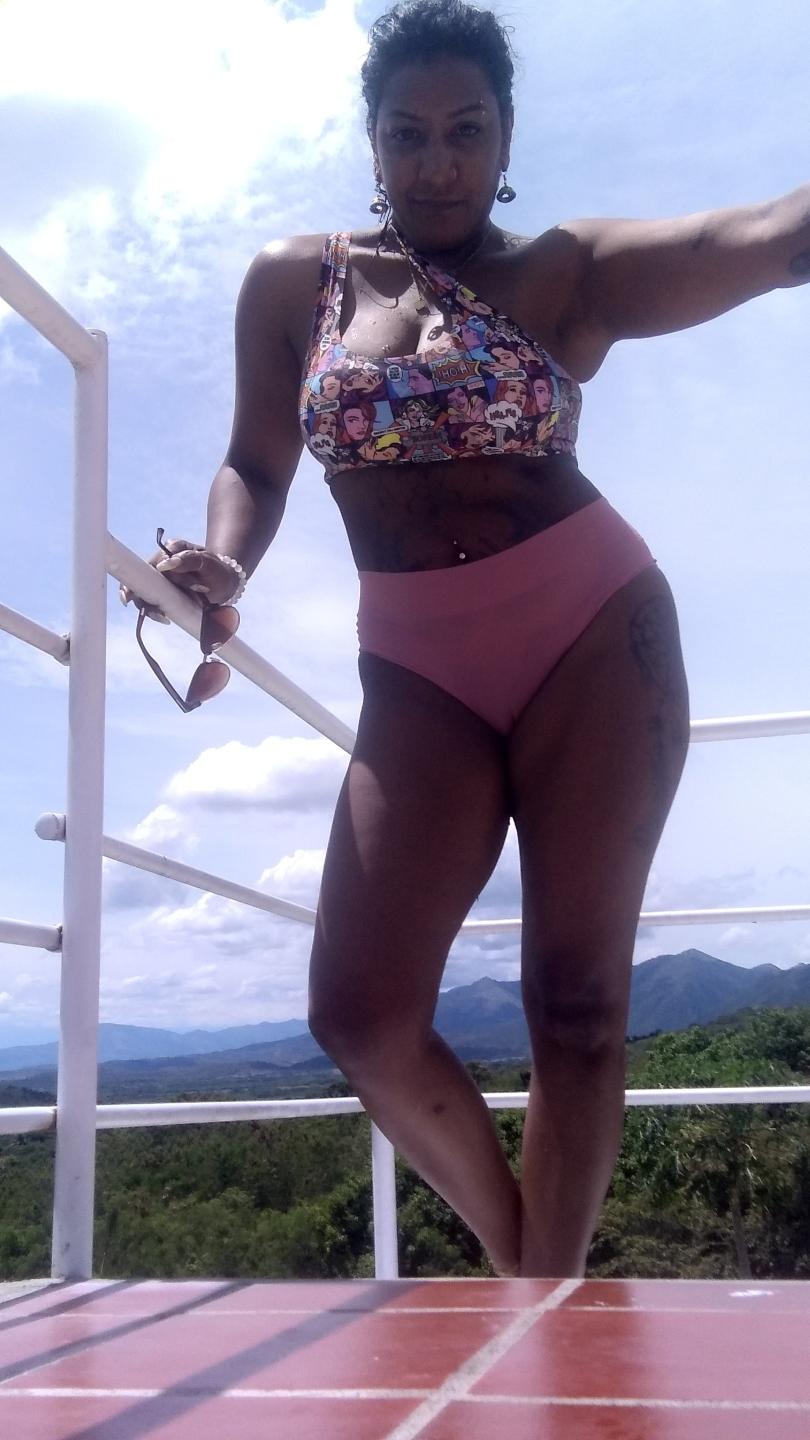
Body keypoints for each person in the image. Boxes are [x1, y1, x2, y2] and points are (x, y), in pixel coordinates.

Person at [121, 0, 809, 1278]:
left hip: (594, 634)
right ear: (372, 144)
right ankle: (532, 1272)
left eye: (467, 131)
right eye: (409, 133)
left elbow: (759, 239)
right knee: (361, 1012)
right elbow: (254, 465)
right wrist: (226, 563)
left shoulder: (566, 271)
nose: (438, 161)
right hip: (416, 669)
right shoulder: (294, 283)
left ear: (506, 139)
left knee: (579, 1004)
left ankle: (547, 1308)